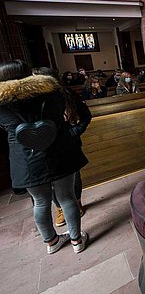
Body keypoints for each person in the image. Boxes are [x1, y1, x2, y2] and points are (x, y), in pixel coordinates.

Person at [0, 60, 89, 254]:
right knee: (67, 197)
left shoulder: (2, 105)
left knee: (40, 202)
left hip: (26, 159)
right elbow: (60, 116)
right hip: (58, 151)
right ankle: (77, 241)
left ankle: (52, 242)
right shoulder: (51, 92)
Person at [33, 67, 92, 227]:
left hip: (68, 142)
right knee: (51, 179)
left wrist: (74, 132)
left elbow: (86, 115)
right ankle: (60, 208)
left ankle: (77, 201)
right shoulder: (34, 99)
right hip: (47, 146)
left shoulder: (67, 95)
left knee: (74, 175)